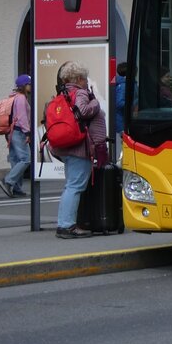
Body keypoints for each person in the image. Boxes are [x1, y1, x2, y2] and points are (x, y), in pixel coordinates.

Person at [50, 60, 106, 239]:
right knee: (74, 187)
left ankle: (64, 223)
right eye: (85, 78)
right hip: (78, 148)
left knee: (70, 185)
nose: (86, 81)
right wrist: (96, 103)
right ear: (80, 78)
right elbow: (83, 111)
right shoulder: (80, 93)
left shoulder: (62, 94)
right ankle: (66, 226)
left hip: (65, 146)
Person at [0, 74, 33, 198]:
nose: (31, 86)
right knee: (26, 159)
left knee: (16, 160)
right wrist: (27, 132)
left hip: (11, 132)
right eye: (29, 84)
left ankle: (16, 188)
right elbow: (22, 117)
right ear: (24, 85)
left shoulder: (13, 97)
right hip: (18, 131)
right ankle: (7, 181)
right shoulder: (21, 98)